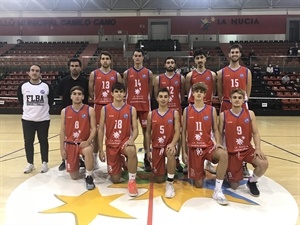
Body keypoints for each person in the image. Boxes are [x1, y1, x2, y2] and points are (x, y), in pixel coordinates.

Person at [181, 82, 228, 205]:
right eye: (196, 91)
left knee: (223, 154)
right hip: (194, 149)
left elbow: (216, 129)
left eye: (201, 92)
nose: (198, 94)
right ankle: (201, 168)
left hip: (208, 147)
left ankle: (217, 190)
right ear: (192, 93)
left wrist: (218, 142)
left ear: (204, 95)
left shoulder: (211, 110)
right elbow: (183, 132)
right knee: (198, 185)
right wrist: (183, 152)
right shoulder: (187, 110)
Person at [219, 88, 269, 197]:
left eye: (240, 98)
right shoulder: (224, 115)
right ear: (230, 100)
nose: (237, 100)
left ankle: (251, 181)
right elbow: (219, 133)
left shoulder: (250, 114)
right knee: (234, 186)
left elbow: (255, 133)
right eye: (235, 98)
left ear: (243, 100)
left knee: (263, 163)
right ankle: (232, 170)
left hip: (247, 149)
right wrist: (221, 148)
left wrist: (258, 148)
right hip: (232, 152)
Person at [216, 44, 252, 178]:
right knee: (225, 135)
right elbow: (219, 90)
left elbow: (248, 90)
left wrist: (242, 101)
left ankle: (243, 164)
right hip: (226, 103)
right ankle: (226, 164)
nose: (235, 54)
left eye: (237, 52)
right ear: (229, 55)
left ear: (240, 54)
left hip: (242, 105)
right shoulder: (222, 72)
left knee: (244, 135)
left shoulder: (246, 71)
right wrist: (225, 100)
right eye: (232, 52)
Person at [98, 82, 139, 197]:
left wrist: (132, 139)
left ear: (125, 93)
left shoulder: (131, 109)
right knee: (115, 179)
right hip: (111, 144)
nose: (119, 94)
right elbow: (100, 130)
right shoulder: (105, 109)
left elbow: (135, 129)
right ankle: (121, 162)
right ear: (112, 93)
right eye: (116, 91)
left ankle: (132, 181)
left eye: (121, 91)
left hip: (123, 142)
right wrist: (101, 149)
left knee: (131, 150)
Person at [17, 64, 54, 174]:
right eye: (32, 70)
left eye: (37, 71)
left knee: (43, 140)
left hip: (43, 119)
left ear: (40, 73)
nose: (34, 73)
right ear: (29, 72)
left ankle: (44, 162)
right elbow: (21, 100)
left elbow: (50, 101)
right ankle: (30, 163)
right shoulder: (23, 86)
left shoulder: (46, 86)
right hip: (28, 120)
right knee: (28, 142)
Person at [89, 51, 122, 170]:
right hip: (98, 105)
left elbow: (120, 89)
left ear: (110, 61)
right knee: (98, 133)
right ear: (100, 60)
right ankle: (95, 157)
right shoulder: (94, 74)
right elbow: (90, 90)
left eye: (107, 58)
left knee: (115, 131)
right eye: (103, 58)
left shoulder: (116, 75)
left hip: (112, 106)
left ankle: (118, 158)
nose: (105, 60)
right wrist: (96, 99)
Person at [185, 49, 217, 174]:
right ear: (194, 61)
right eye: (197, 58)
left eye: (201, 57)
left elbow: (213, 90)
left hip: (207, 108)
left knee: (210, 136)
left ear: (205, 59)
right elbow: (188, 91)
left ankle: (208, 163)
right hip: (193, 107)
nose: (199, 60)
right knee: (190, 135)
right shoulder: (189, 75)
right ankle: (188, 162)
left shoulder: (212, 75)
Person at [145, 88, 180, 198]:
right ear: (157, 98)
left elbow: (178, 131)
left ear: (169, 98)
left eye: (165, 96)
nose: (163, 99)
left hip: (169, 145)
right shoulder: (151, 114)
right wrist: (147, 151)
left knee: (170, 153)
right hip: (156, 147)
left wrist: (173, 144)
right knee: (159, 179)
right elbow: (147, 133)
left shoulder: (174, 113)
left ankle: (170, 182)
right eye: (161, 96)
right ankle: (165, 167)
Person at [59, 86, 96, 190]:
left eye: (79, 94)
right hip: (70, 143)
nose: (77, 96)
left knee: (88, 150)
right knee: (74, 177)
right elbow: (62, 131)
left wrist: (88, 141)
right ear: (71, 96)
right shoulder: (65, 111)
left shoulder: (90, 110)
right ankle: (79, 161)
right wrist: (62, 149)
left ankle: (89, 176)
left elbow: (94, 129)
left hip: (83, 143)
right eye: (74, 94)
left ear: (83, 96)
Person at [123, 48, 153, 172]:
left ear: (143, 57)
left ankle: (146, 156)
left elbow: (150, 89)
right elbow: (125, 89)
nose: (137, 58)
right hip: (130, 107)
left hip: (144, 106)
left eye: (139, 55)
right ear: (132, 57)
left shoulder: (148, 73)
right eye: (135, 55)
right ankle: (127, 156)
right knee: (128, 132)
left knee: (147, 132)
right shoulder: (126, 73)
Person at [153, 56, 185, 172]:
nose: (170, 64)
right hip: (162, 111)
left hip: (176, 110)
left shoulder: (181, 78)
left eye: (172, 62)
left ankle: (176, 158)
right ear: (165, 65)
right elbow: (156, 94)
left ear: (175, 64)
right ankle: (159, 155)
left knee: (178, 134)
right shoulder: (158, 79)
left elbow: (182, 94)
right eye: (168, 63)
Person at [57, 58, 89, 171]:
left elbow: (88, 97)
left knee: (83, 136)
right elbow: (61, 96)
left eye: (76, 66)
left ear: (80, 68)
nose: (74, 68)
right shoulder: (63, 81)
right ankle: (65, 159)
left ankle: (85, 159)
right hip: (68, 113)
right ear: (69, 67)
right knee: (67, 136)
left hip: (83, 114)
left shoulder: (85, 81)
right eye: (72, 66)